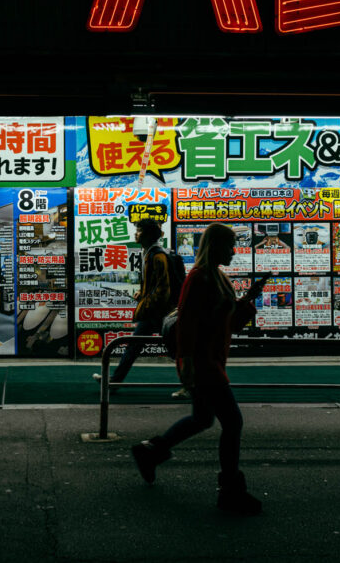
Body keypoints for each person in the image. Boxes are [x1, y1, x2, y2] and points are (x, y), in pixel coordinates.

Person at [129, 223, 262, 515]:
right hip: (203, 364)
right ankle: (230, 491)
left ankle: (152, 452)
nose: (234, 251)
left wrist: (248, 300)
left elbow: (227, 326)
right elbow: (187, 325)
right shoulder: (199, 277)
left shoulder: (218, 278)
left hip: (211, 360)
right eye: (229, 246)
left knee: (202, 418)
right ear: (214, 246)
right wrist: (187, 364)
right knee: (232, 422)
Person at [92, 218, 171, 389]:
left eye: (140, 230)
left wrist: (148, 304)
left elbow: (164, 287)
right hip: (154, 311)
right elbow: (154, 284)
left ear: (149, 235)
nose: (136, 233)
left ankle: (193, 383)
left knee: (177, 350)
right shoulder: (149, 253)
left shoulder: (157, 256)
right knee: (135, 346)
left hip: (156, 312)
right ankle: (115, 381)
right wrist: (143, 294)